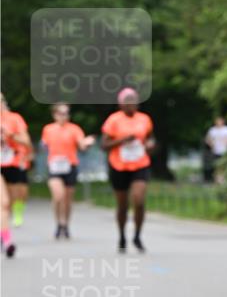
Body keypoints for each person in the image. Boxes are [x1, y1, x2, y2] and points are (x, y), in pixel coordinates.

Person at [101, 87, 156, 252]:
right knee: (122, 205)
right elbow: (104, 145)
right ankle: (122, 236)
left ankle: (137, 235)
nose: (131, 105)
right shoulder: (113, 120)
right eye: (127, 102)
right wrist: (122, 140)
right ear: (121, 105)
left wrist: (150, 144)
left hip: (140, 164)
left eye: (134, 101)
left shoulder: (144, 119)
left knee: (138, 200)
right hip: (119, 165)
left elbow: (150, 137)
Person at [41, 102, 95, 239]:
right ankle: (58, 222)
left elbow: (81, 145)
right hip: (54, 166)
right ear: (54, 115)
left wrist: (87, 143)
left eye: (66, 113)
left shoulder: (74, 129)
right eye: (61, 113)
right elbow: (44, 146)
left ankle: (65, 224)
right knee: (58, 196)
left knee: (67, 199)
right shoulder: (48, 129)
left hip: (70, 166)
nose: (64, 116)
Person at [1, 94, 32, 253]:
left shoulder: (14, 119)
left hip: (13, 161)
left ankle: (5, 236)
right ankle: (6, 240)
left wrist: (10, 136)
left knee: (13, 198)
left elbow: (26, 142)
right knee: (3, 202)